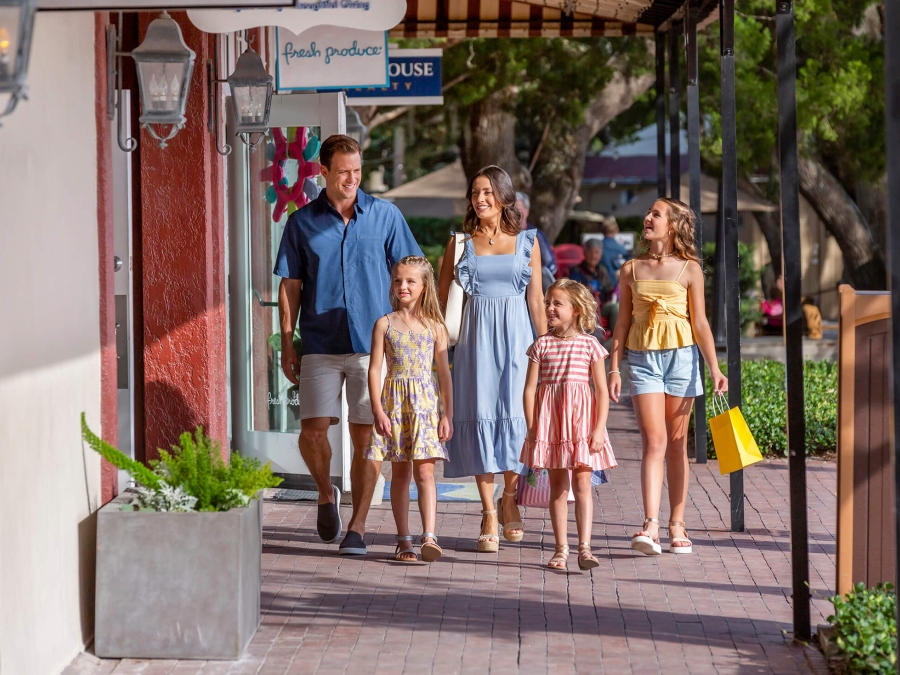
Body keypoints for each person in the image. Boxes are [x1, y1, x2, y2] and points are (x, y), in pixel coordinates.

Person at [274, 134, 423, 556]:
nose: (352, 179)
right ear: (323, 172)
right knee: (312, 432)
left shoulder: (385, 216)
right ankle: (325, 493)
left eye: (357, 171)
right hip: (320, 340)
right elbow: (291, 286)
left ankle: (357, 526)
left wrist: (410, 326)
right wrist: (288, 341)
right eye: (343, 172)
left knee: (366, 437)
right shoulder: (302, 222)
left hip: (372, 347)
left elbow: (412, 272)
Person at [607, 198, 727, 556]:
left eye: (656, 214)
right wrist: (615, 367)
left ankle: (677, 522)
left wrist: (715, 368)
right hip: (643, 360)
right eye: (649, 213)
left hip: (682, 359)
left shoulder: (690, 269)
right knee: (654, 441)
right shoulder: (630, 269)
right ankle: (650, 524)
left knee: (676, 444)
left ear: (672, 225)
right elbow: (622, 322)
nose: (648, 218)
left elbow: (701, 323)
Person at [438, 166, 547, 552]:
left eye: (486, 191)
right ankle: (487, 511)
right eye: (474, 192)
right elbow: (440, 303)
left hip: (518, 341)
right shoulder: (461, 244)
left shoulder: (527, 243)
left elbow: (536, 301)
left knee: (519, 421)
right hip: (475, 342)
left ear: (503, 196)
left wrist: (546, 346)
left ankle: (511, 498)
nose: (479, 199)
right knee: (482, 416)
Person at [521, 279, 616, 571]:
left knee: (583, 484)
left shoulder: (590, 345)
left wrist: (599, 428)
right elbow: (529, 389)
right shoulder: (542, 344)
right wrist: (533, 426)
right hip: (551, 425)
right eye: (548, 302)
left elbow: (600, 390)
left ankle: (585, 548)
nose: (549, 308)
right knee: (558, 488)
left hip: (582, 426)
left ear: (575, 309)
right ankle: (561, 549)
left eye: (556, 303)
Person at [365, 256, 453, 563]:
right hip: (395, 404)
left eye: (411, 281)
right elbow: (374, 369)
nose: (403, 286)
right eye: (398, 280)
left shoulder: (435, 327)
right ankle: (403, 539)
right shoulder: (384, 324)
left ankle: (429, 535)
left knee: (426, 472)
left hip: (425, 406)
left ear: (424, 286)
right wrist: (378, 409)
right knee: (400, 473)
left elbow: (443, 373)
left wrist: (447, 414)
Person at [568, 239, 619, 337]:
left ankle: (616, 338)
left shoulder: (602, 270)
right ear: (585, 253)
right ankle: (598, 340)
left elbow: (610, 287)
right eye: (590, 252)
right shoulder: (577, 271)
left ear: (600, 255)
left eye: (596, 252)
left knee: (616, 308)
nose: (593, 256)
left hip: (602, 305)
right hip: (585, 306)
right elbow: (573, 290)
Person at [516, 191, 557, 292]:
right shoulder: (502, 235)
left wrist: (535, 275)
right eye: (511, 210)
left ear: (526, 211)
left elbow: (551, 265)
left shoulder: (536, 235)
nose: (515, 214)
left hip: (534, 285)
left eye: (519, 210)